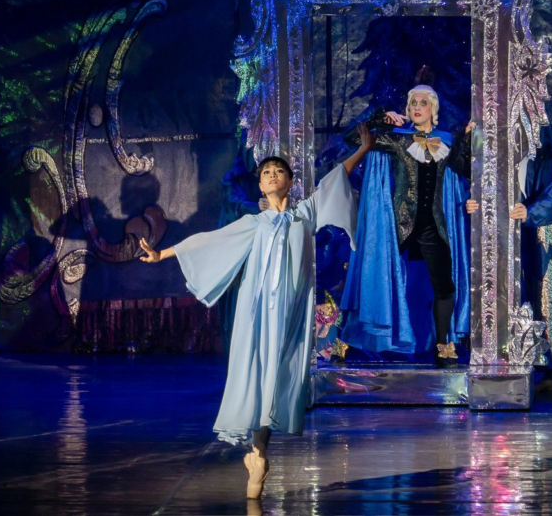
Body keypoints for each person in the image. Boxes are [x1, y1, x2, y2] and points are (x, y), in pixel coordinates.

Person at [138, 125, 374, 499]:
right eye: (266, 172)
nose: (272, 175)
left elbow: (335, 178)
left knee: (277, 379)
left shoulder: (305, 214)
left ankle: (259, 451)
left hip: (291, 315)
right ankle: (259, 454)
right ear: (261, 186)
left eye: (279, 171)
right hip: (258, 312)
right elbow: (207, 241)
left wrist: (363, 149)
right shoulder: (254, 224)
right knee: (256, 375)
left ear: (290, 182)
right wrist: (161, 254)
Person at [340, 84, 473, 368]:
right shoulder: (398, 139)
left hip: (433, 225)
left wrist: (468, 138)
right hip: (399, 224)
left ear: (433, 109)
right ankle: (346, 340)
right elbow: (353, 138)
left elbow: (466, 169)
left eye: (423, 103)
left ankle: (443, 346)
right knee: (374, 273)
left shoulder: (446, 141)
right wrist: (378, 118)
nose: (417, 107)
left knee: (444, 284)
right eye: (413, 102)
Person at [466, 126, 552, 398]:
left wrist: (531, 212)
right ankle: (546, 373)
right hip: (521, 238)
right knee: (531, 302)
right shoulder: (508, 155)